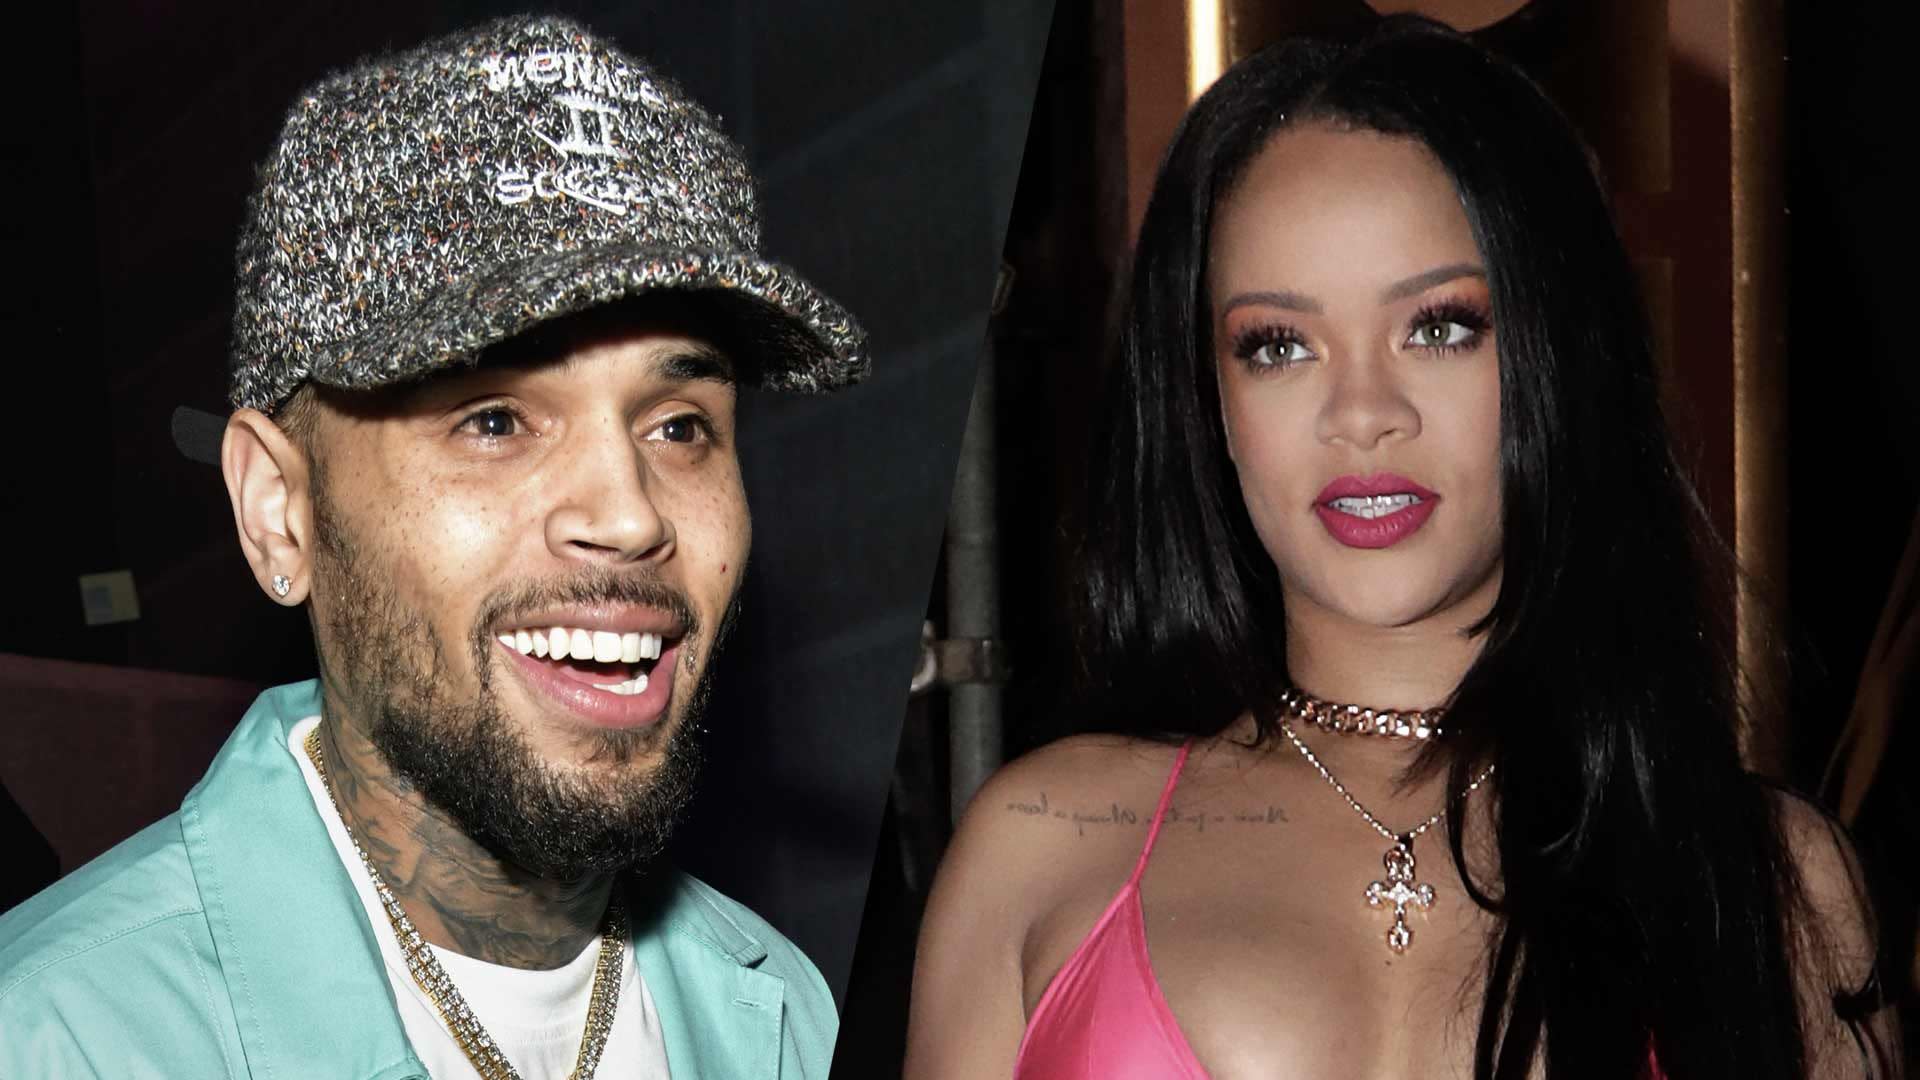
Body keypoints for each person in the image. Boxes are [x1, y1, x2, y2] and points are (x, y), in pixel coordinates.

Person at [908, 17, 1898, 1080]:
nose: (1362, 414)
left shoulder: (1777, 888)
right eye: (1278, 345)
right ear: (1209, 403)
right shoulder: (1041, 845)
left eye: (1439, 327)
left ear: (1556, 354)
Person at [0, 14, 865, 1078]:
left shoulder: (789, 1019)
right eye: (494, 420)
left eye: (679, 427)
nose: (631, 515)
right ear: (279, 509)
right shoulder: (57, 1040)